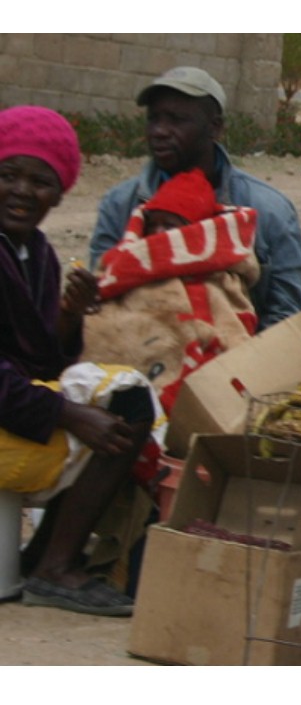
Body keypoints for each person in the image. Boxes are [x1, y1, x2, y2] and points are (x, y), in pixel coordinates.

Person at [0, 105, 157, 616]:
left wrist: (67, 317)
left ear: (60, 193)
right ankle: (54, 566)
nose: (23, 191)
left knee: (131, 401)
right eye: (8, 175)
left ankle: (45, 555)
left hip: (13, 404)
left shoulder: (36, 253)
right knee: (112, 417)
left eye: (40, 182)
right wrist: (69, 414)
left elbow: (40, 363)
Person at [90, 66, 301, 331]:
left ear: (214, 128)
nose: (159, 131)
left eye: (176, 119)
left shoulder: (268, 210)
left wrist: (240, 364)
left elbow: (288, 311)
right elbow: (101, 299)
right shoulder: (120, 205)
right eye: (154, 118)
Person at [84, 168, 260, 414]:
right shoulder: (126, 266)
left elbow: (229, 333)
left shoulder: (217, 279)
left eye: (170, 226)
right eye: (153, 224)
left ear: (195, 231)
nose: (157, 234)